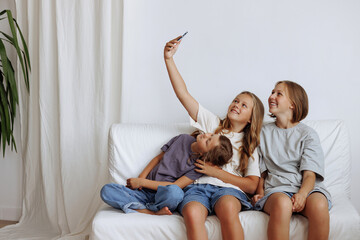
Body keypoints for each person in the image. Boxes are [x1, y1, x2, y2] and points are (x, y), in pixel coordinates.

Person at [164, 36, 264, 240]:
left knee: (227, 208)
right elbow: (183, 94)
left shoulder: (249, 143)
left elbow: (252, 185)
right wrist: (169, 59)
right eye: (236, 100)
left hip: (228, 191)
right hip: (198, 188)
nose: (237, 104)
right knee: (191, 213)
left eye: (244, 105)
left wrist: (214, 172)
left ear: (251, 118)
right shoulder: (212, 125)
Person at [252, 81, 332, 240]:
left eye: (278, 94)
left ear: (293, 104)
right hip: (277, 189)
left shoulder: (308, 134)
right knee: (283, 204)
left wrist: (302, 194)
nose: (271, 96)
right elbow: (262, 172)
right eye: (272, 92)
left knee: (319, 205)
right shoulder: (262, 133)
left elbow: (310, 174)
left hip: (307, 188)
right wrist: (259, 193)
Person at [100, 131, 233, 216]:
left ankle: (151, 209)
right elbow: (158, 158)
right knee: (106, 190)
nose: (206, 135)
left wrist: (142, 182)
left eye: (208, 141)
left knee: (175, 193)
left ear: (205, 154)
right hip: (142, 192)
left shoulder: (197, 167)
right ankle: (149, 212)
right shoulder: (182, 139)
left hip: (162, 198)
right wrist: (140, 178)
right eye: (211, 135)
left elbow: (174, 185)